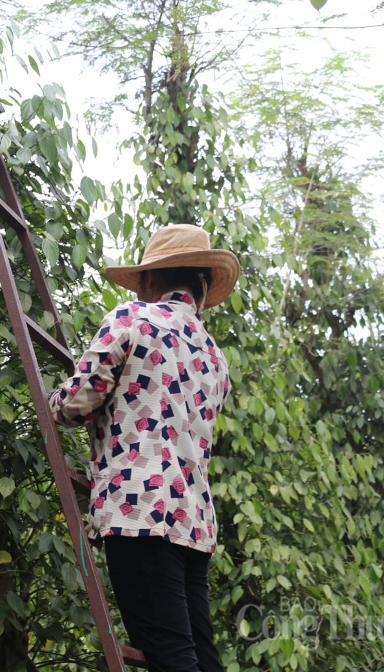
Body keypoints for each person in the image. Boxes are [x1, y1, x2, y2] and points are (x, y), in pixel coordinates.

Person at [48, 224, 240, 672]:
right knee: (199, 656)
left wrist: (54, 402)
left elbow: (78, 403)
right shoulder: (216, 358)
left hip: (140, 511)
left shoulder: (133, 318)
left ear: (153, 280)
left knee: (172, 658)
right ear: (202, 285)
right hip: (193, 523)